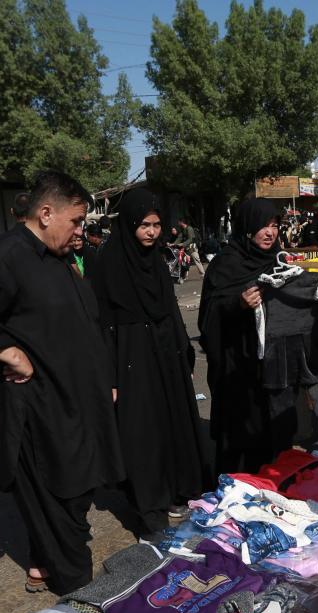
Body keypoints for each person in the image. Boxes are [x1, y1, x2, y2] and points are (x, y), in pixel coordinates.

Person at [0, 170, 125, 595]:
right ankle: (81, 592)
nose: (80, 230)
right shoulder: (11, 255)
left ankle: (45, 560)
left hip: (77, 396)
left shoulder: (54, 256)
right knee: (60, 489)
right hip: (42, 405)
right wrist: (7, 352)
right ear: (46, 213)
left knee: (79, 482)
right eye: (75, 221)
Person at [92, 188, 209, 532]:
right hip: (131, 357)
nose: (152, 232)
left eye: (157, 225)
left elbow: (170, 309)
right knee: (142, 432)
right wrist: (110, 377)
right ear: (129, 223)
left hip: (165, 354)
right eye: (145, 224)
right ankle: (149, 508)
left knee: (173, 424)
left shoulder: (155, 259)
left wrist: (183, 353)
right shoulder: (108, 262)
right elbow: (102, 324)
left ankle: (177, 492)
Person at [198, 199, 283, 473]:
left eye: (275, 226)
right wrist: (238, 303)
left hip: (270, 360)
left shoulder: (278, 259)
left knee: (271, 426)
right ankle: (234, 484)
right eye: (263, 226)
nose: (270, 233)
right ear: (247, 227)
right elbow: (208, 316)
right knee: (239, 427)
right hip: (236, 361)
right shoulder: (226, 264)